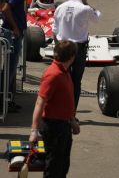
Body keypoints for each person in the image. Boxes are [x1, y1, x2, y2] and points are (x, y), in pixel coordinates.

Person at [29, 40, 80, 178]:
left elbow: (66, 101)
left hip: (64, 126)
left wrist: (72, 121)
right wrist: (34, 130)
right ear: (72, 57)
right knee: (53, 169)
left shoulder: (64, 72)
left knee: (62, 167)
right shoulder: (53, 74)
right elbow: (40, 103)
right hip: (53, 127)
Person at [53, 0, 101, 110]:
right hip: (78, 48)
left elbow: (54, 30)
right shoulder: (85, 8)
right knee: (76, 81)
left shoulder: (60, 7)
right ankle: (71, 113)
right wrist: (86, 3)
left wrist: (57, 47)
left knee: (60, 78)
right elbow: (97, 17)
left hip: (63, 46)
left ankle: (59, 109)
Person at [2, 0, 33, 111]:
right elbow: (6, 8)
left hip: (10, 32)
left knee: (9, 68)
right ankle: (4, 101)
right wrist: (15, 28)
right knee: (10, 67)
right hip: (13, 34)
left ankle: (6, 99)